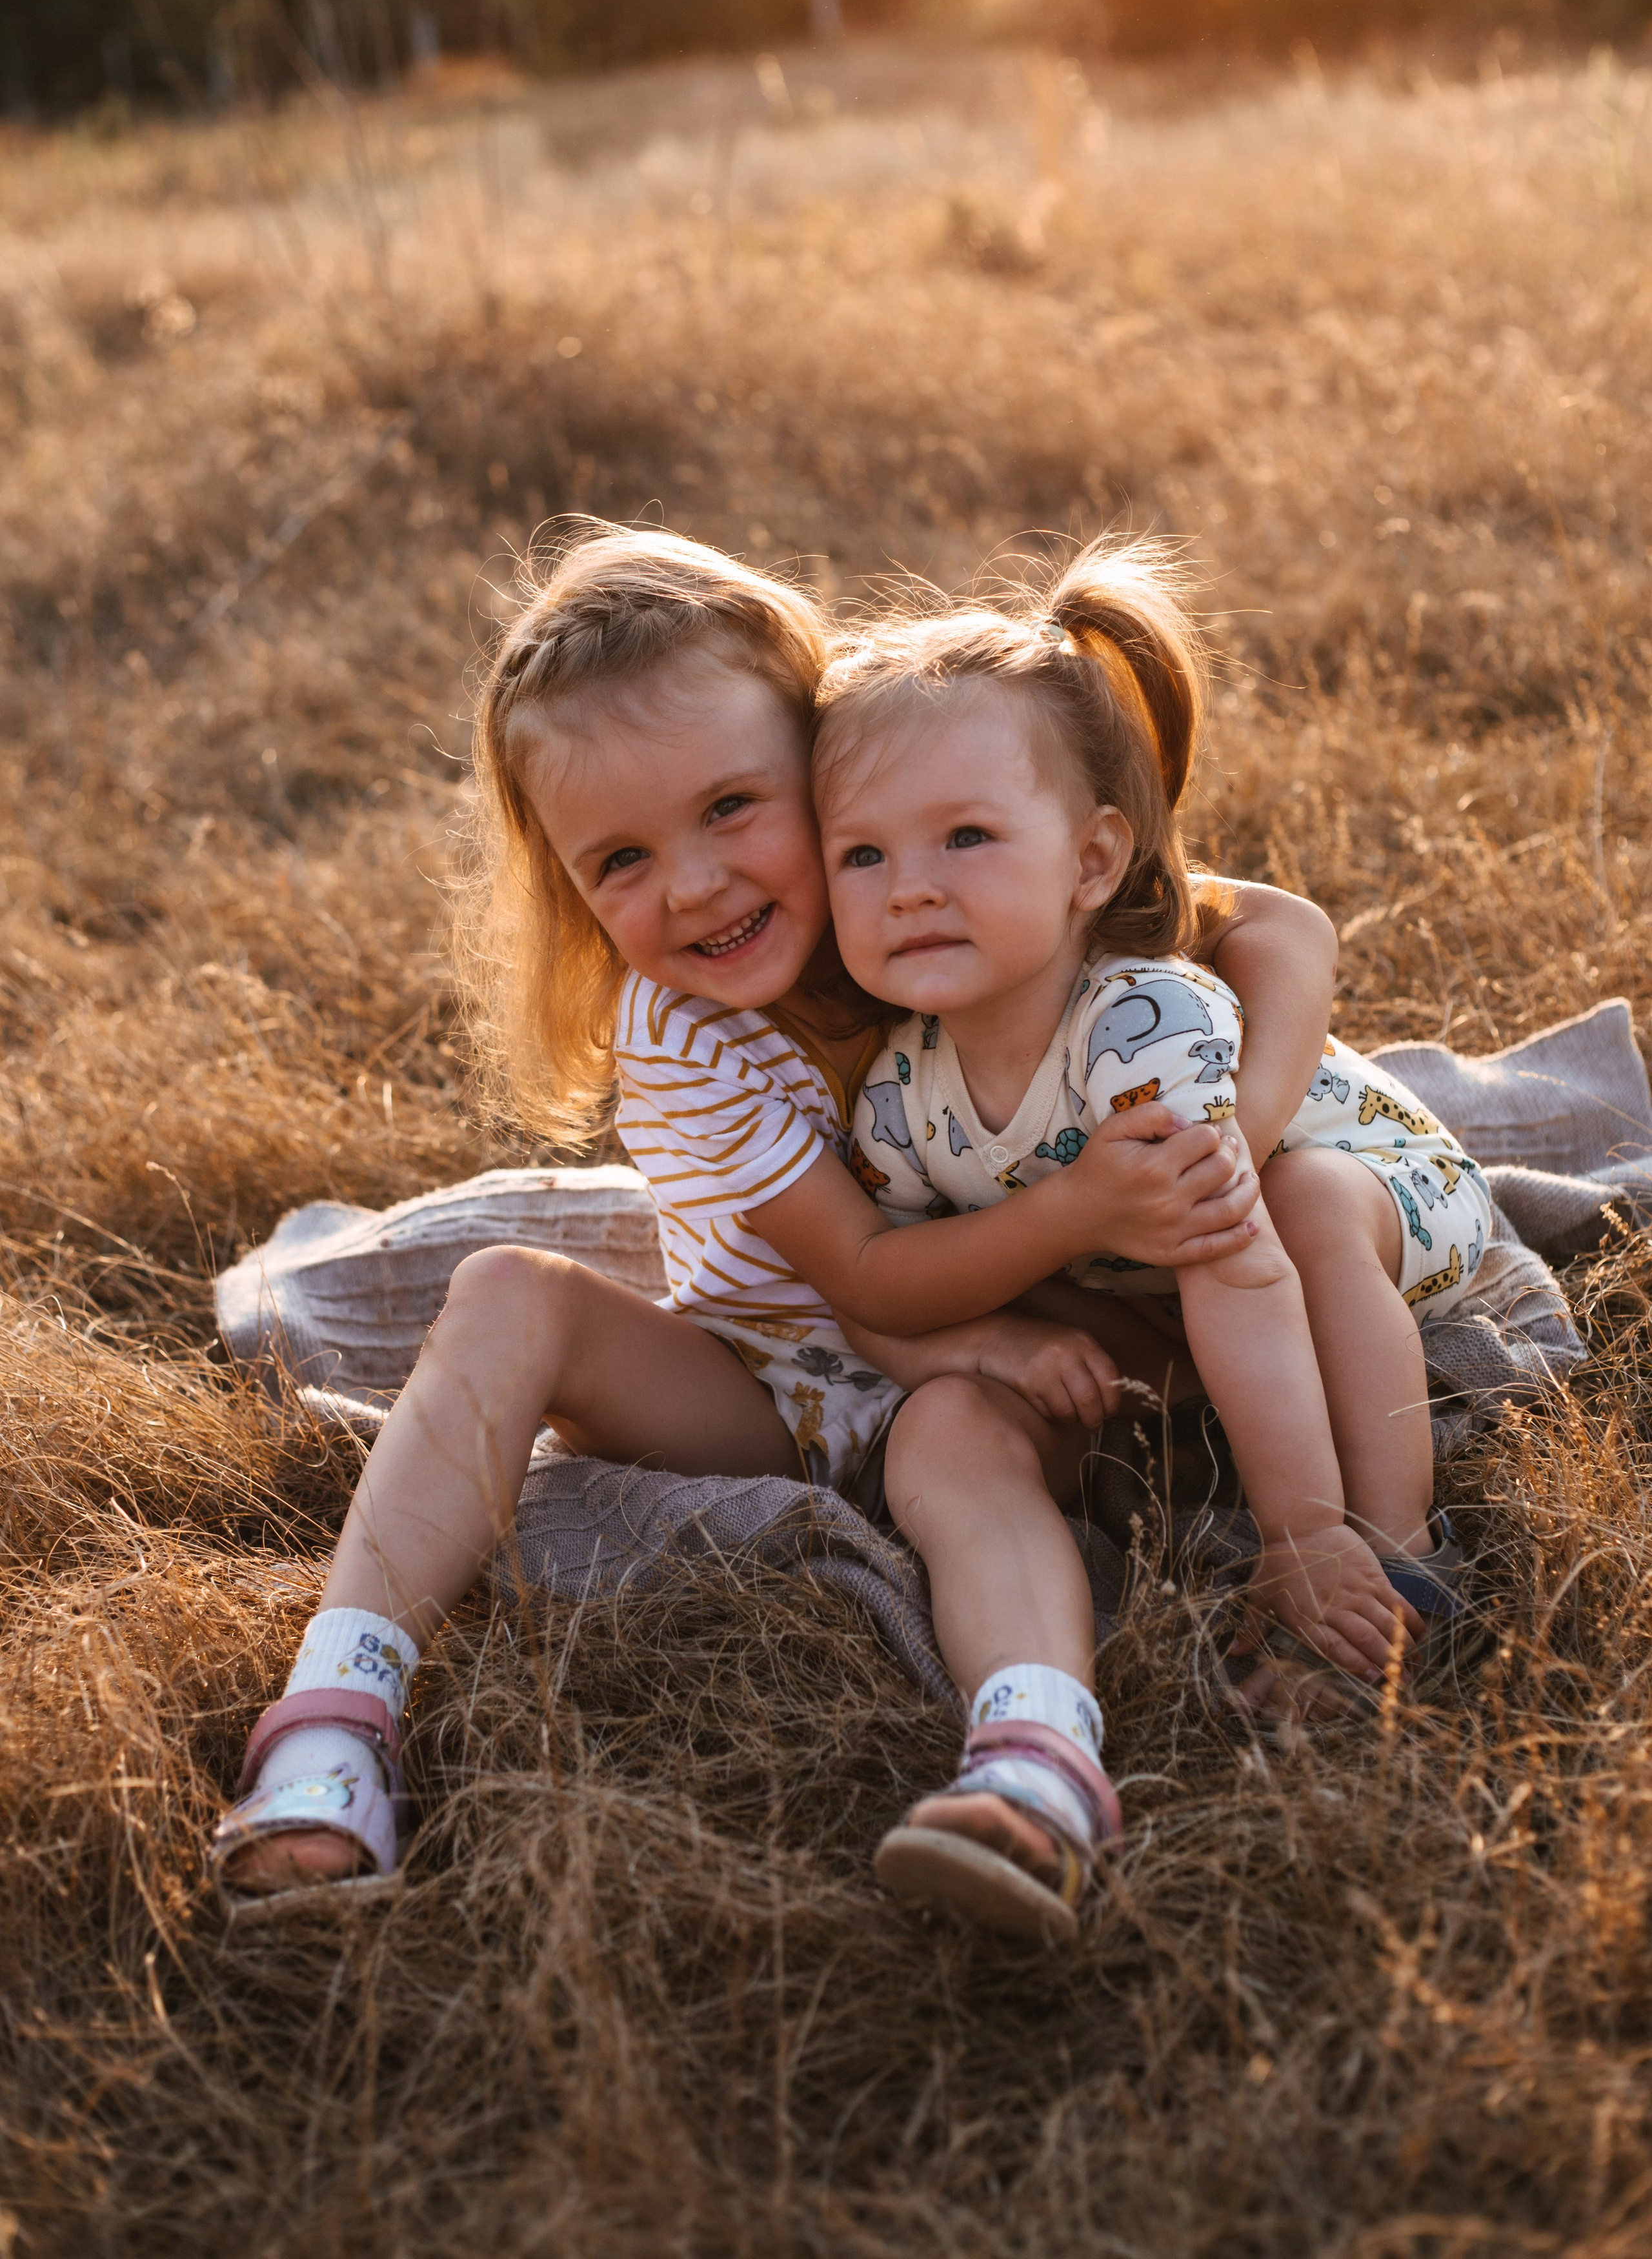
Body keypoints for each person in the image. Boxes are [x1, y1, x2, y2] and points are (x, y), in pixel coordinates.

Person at [212, 523, 1338, 1937]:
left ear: (826, 763)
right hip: (774, 1386)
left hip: (1021, 1377)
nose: (690, 887)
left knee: (952, 1436)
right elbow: (860, 1282)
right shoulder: (683, 1028)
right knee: (507, 1291)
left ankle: (1037, 1766)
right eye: (619, 858)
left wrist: (1220, 1144)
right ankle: (331, 1723)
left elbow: (1277, 932)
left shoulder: (930, 887)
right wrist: (1071, 1213)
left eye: (734, 806)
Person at [811, 536, 1489, 1933]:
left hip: (1360, 1192)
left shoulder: (1141, 1026)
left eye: (966, 838)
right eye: (861, 853)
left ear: (1090, 862)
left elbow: (1232, 1267)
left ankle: (1382, 1557)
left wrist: (1297, 1531)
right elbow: (876, 1297)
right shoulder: (896, 1098)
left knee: (1286, 1207)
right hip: (1144, 1287)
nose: (908, 887)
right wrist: (994, 1345)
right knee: (994, 1382)